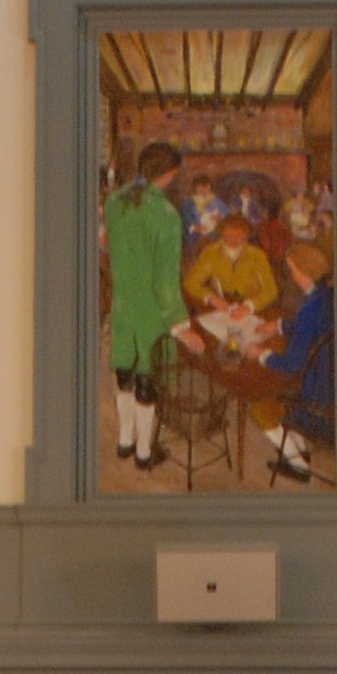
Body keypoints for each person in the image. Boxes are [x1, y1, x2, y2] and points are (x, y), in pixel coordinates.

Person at [102, 142, 189, 472]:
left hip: (122, 305)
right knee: (147, 382)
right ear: (168, 174)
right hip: (152, 311)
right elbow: (167, 285)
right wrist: (183, 327)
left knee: (123, 373)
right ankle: (142, 452)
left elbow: (110, 248)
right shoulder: (166, 216)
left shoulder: (113, 201)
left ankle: (124, 440)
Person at [256, 241, 333, 484]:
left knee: (261, 406)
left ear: (304, 273)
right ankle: (300, 449)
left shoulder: (310, 308)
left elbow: (291, 364)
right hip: (333, 382)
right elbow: (309, 326)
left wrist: (259, 354)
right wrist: (278, 325)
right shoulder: (328, 294)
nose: (291, 275)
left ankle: (299, 466)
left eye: (293, 270)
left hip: (318, 403)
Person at [182, 205, 279, 319]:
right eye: (229, 235)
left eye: (240, 236)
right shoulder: (211, 252)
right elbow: (191, 283)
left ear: (247, 235)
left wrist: (249, 306)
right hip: (223, 307)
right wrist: (211, 298)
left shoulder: (257, 255)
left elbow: (271, 290)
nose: (235, 240)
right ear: (221, 234)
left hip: (254, 309)